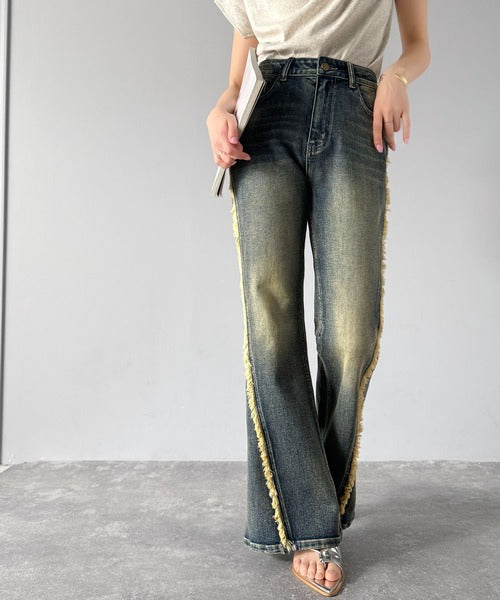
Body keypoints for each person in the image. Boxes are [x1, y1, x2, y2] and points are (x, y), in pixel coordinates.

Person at [206, 0, 430, 596]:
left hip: (356, 107)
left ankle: (307, 507)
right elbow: (238, 71)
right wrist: (221, 108)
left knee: (351, 334)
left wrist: (397, 77)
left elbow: (418, 46)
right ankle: (312, 527)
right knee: (270, 319)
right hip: (267, 111)